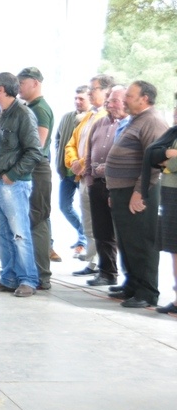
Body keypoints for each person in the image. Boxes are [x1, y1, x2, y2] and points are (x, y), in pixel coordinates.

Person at [105, 80, 169, 308]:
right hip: (123, 191)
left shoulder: (152, 121)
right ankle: (132, 285)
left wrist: (139, 192)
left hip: (139, 192)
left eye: (129, 97)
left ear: (144, 98)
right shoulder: (136, 119)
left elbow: (155, 162)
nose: (124, 101)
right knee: (127, 241)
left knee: (142, 242)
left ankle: (147, 292)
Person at [0, 72, 42, 297]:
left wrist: (13, 174)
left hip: (13, 184)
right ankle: (8, 278)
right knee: (1, 233)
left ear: (1, 89)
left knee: (19, 234)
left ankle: (28, 280)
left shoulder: (23, 114)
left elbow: (34, 151)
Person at [66, 74, 114, 276]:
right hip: (83, 177)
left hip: (97, 178)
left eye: (93, 89)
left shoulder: (108, 118)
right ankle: (93, 262)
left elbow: (101, 151)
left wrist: (82, 163)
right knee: (88, 222)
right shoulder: (88, 116)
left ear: (106, 91)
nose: (89, 93)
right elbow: (71, 143)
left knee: (100, 225)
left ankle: (102, 265)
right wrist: (73, 162)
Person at [82, 85, 127, 288]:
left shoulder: (129, 125)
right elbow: (89, 152)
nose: (110, 104)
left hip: (118, 186)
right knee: (101, 231)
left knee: (123, 234)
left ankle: (131, 280)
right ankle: (107, 273)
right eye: (109, 101)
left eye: (115, 100)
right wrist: (89, 179)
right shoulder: (99, 123)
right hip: (97, 184)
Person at [17, 67, 56, 288]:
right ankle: (31, 271)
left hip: (37, 169)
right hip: (31, 169)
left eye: (22, 83)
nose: (19, 88)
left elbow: (37, 146)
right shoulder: (29, 107)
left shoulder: (40, 109)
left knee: (37, 220)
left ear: (35, 83)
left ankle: (42, 275)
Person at [145, 105, 177, 314]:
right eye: (175, 114)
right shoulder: (173, 132)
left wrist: (169, 163)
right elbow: (153, 154)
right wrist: (167, 156)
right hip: (170, 192)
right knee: (174, 248)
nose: (175, 118)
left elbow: (170, 163)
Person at [56, 86, 91, 258]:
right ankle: (83, 234)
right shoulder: (67, 117)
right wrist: (60, 157)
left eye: (81, 99)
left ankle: (83, 242)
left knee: (86, 210)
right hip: (67, 173)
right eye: (76, 98)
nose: (77, 101)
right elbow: (58, 139)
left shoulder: (93, 119)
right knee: (64, 206)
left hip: (84, 173)